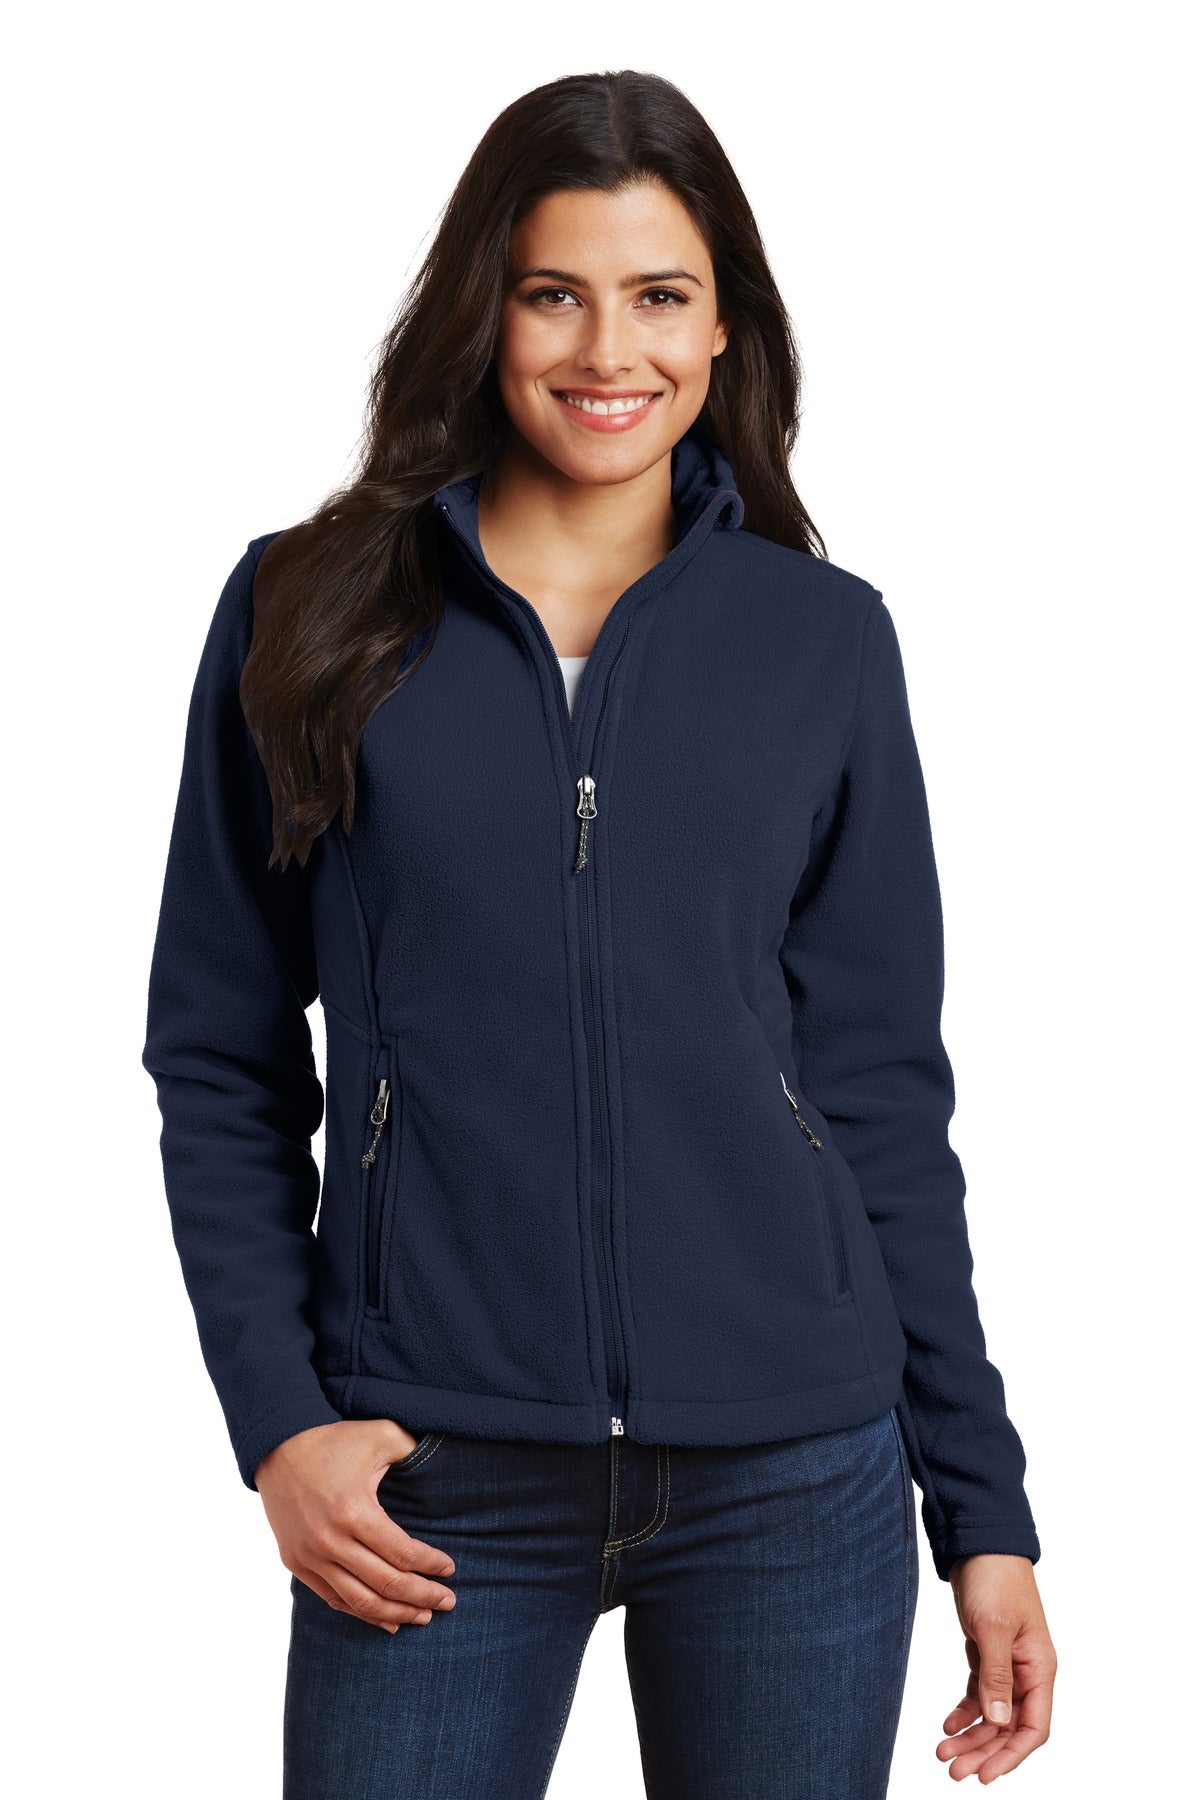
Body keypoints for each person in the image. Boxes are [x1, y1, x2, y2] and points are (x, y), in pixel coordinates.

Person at [141, 68, 1056, 1799]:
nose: (607, 349)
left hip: (795, 1470)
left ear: (724, 330)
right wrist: (281, 1424)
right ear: (481, 314)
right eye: (552, 293)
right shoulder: (308, 610)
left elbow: (878, 1093)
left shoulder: (821, 641)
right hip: (431, 1473)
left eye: (659, 296)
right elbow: (218, 1057)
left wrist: (984, 1510)